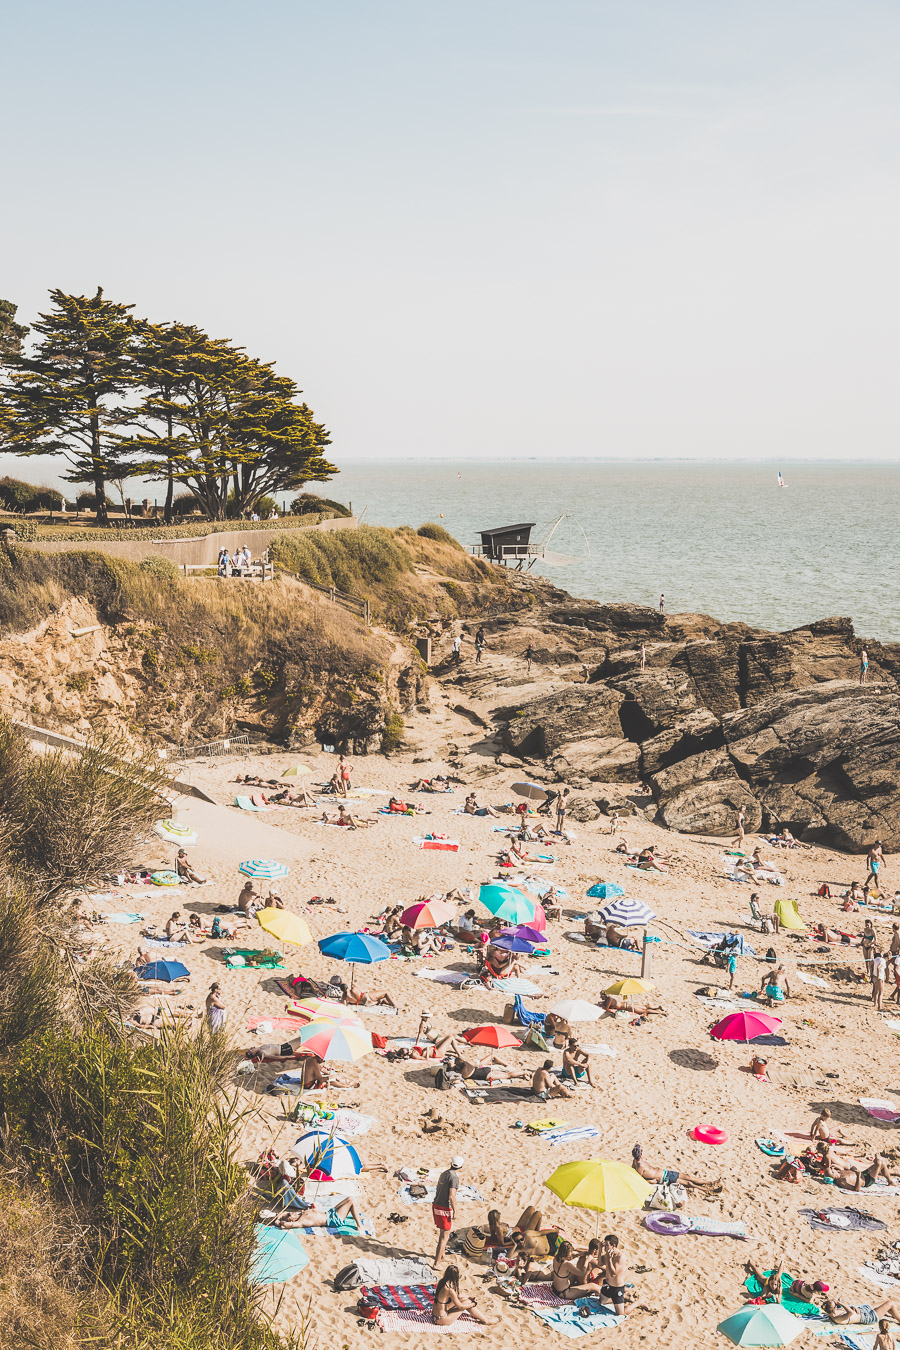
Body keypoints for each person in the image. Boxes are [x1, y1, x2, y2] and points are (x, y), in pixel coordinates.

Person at [431, 1265, 497, 1326]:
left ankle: (481, 1316)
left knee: (464, 1299)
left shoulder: (442, 1282)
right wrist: (473, 1304)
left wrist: (469, 1298)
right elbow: (461, 1307)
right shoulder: (450, 1290)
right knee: (467, 1302)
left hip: (434, 1315)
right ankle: (485, 1320)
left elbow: (457, 1297)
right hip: (441, 1319)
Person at [631, 1145, 715, 1191]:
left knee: (687, 1176)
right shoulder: (640, 1166)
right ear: (640, 1154)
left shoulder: (637, 1160)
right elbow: (639, 1180)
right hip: (664, 1178)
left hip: (666, 1172)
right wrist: (651, 1181)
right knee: (689, 1183)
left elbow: (633, 1170)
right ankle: (705, 1189)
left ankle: (710, 1182)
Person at [433, 1158, 463, 1266]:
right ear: (461, 1167)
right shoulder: (454, 1177)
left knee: (444, 1234)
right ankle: (436, 1263)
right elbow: (452, 1196)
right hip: (443, 1208)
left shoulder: (444, 1173)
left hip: (436, 1204)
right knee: (444, 1237)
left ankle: (443, 1256)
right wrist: (455, 1210)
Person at [276, 1194, 363, 1231]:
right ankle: (359, 1225)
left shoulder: (300, 1215)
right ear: (291, 1221)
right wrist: (279, 1222)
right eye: (289, 1215)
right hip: (334, 1219)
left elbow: (283, 1213)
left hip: (331, 1212)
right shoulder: (301, 1222)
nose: (291, 1213)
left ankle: (355, 1216)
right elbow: (286, 1224)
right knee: (351, 1201)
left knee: (349, 1198)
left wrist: (279, 1217)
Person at [822, 1298, 900, 1327]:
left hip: (862, 1310)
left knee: (886, 1303)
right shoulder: (837, 1318)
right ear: (833, 1309)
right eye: (836, 1304)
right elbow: (851, 1313)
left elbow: (849, 1310)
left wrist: (852, 1307)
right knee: (890, 1304)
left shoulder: (834, 1311)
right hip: (868, 1317)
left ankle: (896, 1316)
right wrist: (841, 1303)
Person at [601, 1235, 628, 1317]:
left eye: (606, 1245)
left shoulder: (620, 1257)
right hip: (607, 1284)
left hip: (617, 1288)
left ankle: (638, 1302)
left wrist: (609, 1259)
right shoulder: (607, 1254)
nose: (605, 1247)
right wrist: (599, 1250)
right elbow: (599, 1263)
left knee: (620, 1314)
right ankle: (624, 1298)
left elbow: (614, 1273)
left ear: (613, 1246)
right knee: (601, 1302)